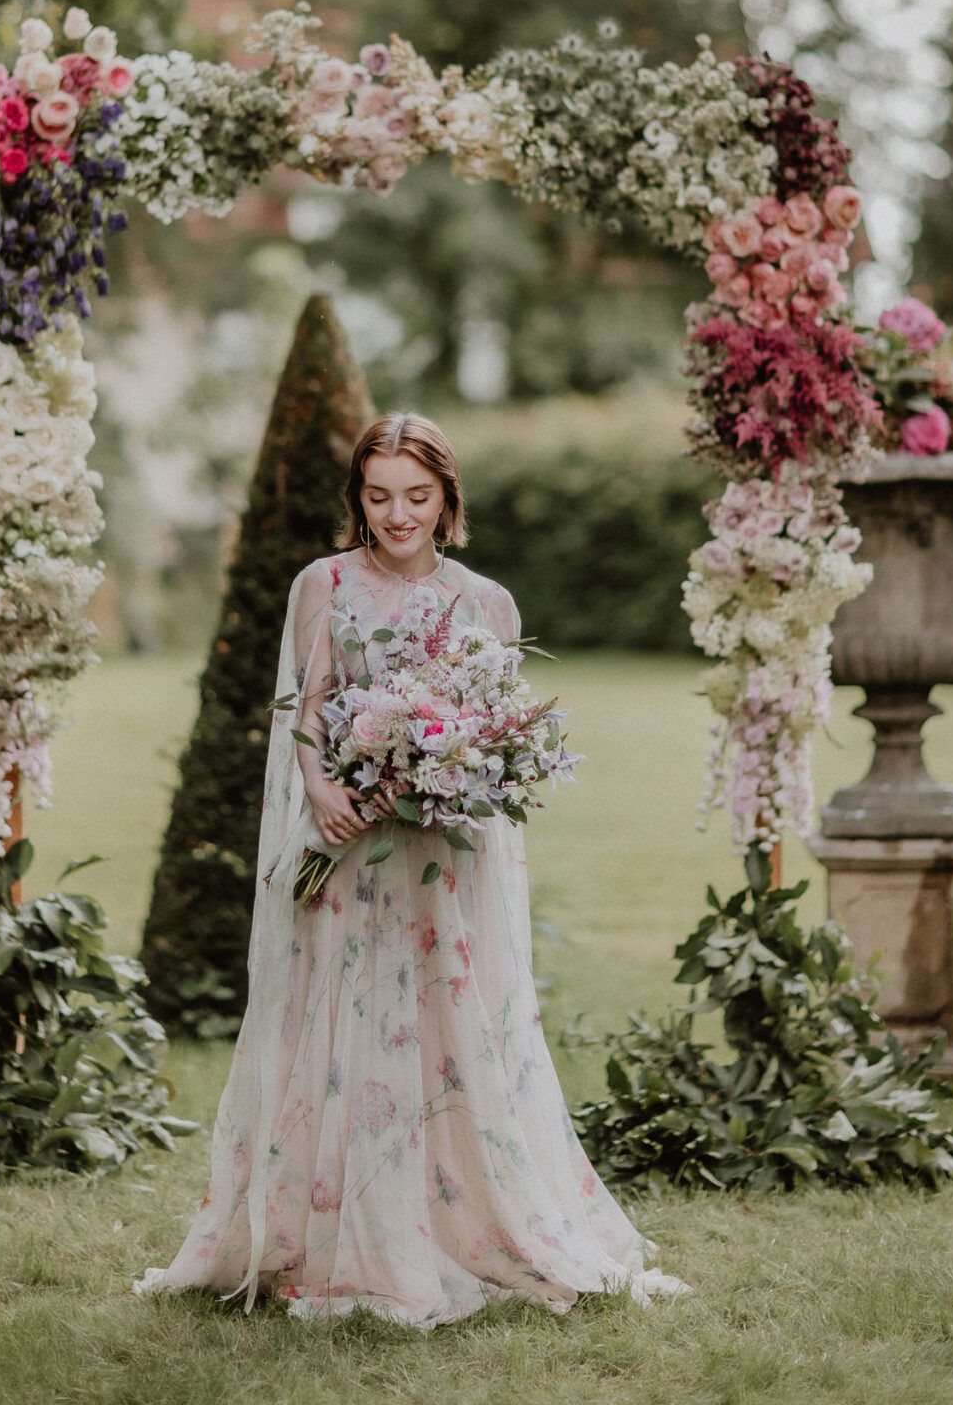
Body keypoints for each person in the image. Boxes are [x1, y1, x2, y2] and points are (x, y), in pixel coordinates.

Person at [136, 412, 687, 1327]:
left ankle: (447, 1223)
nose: (398, 514)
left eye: (417, 497)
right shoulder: (322, 584)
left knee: (435, 1021)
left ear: (447, 499)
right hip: (347, 843)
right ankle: (321, 1236)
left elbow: (498, 740)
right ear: (357, 496)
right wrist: (320, 788)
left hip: (438, 860)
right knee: (339, 1023)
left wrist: (443, 775)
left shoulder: (486, 604)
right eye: (379, 495)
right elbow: (304, 711)